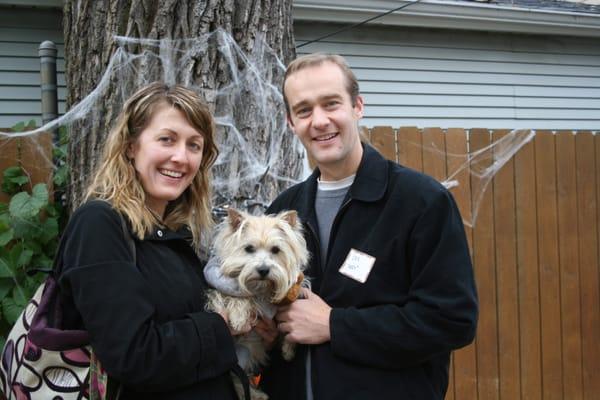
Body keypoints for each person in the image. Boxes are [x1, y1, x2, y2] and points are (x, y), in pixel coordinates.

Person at [256, 53, 479, 399]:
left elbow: (452, 321)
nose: (319, 121)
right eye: (304, 110)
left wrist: (334, 325)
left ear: (357, 106)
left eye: (331, 104)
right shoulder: (284, 210)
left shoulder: (420, 203)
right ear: (290, 122)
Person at [55, 82, 247, 399]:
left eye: (194, 145)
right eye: (166, 140)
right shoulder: (101, 226)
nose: (180, 157)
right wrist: (222, 327)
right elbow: (134, 356)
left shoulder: (172, 235)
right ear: (131, 146)